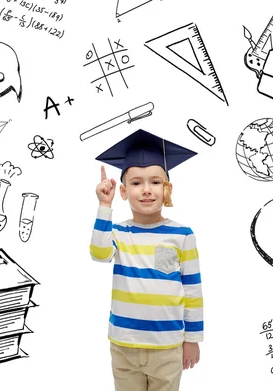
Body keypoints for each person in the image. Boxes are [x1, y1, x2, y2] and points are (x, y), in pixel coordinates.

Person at [89, 129, 204, 391]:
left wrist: (193, 339)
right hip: (123, 344)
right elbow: (98, 253)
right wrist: (104, 206)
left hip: (167, 346)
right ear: (123, 191)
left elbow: (192, 290)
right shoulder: (118, 232)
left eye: (155, 182)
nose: (147, 190)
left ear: (167, 189)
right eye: (137, 183)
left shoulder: (182, 235)